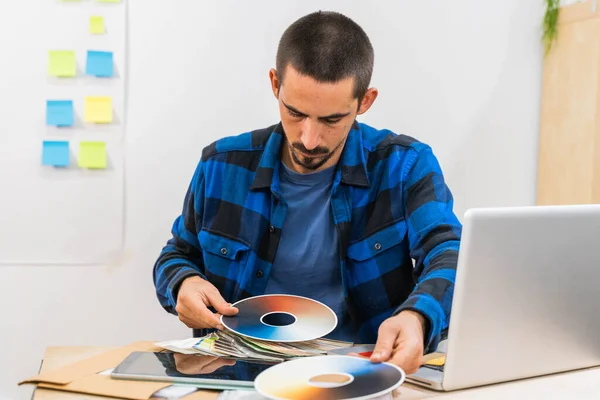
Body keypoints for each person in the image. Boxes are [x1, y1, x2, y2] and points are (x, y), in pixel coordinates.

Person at [152, 10, 462, 374]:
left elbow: (450, 252)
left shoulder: (406, 166)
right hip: (237, 379)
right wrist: (183, 283)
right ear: (274, 84)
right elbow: (176, 255)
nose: (309, 140)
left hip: (361, 376)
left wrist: (417, 317)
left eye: (332, 120)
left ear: (365, 101)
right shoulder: (220, 165)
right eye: (295, 113)